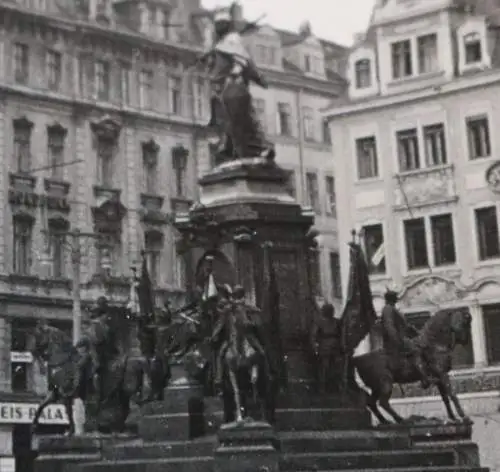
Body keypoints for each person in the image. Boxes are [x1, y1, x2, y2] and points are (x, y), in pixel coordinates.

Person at [204, 6, 275, 162]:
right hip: (223, 90)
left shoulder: (231, 40)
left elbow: (241, 59)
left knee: (241, 119)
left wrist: (236, 71)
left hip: (233, 86)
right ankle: (231, 148)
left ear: (227, 25)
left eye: (222, 23)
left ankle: (259, 147)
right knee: (229, 121)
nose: (219, 27)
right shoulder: (220, 44)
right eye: (217, 24)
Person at [380, 289, 430, 389]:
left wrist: (417, 333)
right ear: (392, 299)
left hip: (401, 338)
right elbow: (389, 326)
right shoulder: (388, 309)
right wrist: (398, 340)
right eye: (395, 298)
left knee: (421, 344)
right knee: (416, 350)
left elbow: (406, 326)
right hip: (394, 341)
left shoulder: (392, 309)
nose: (396, 300)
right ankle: (423, 377)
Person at [310, 302, 340, 393]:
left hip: (332, 346)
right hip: (326, 346)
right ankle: (323, 387)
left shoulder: (335, 322)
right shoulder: (320, 322)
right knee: (325, 367)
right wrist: (314, 346)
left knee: (331, 367)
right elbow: (313, 335)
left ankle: (330, 386)